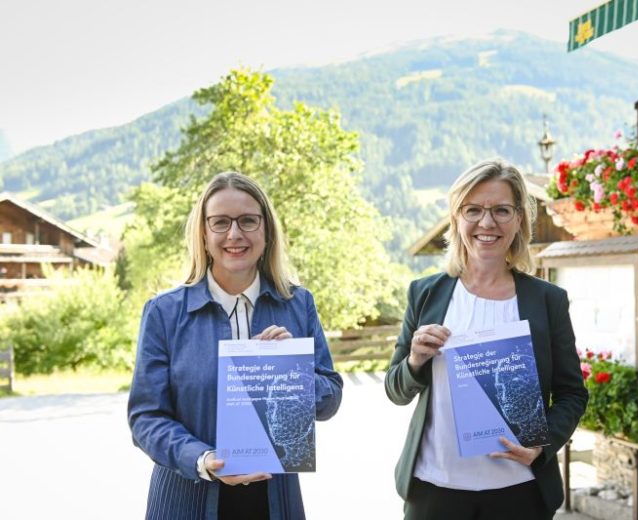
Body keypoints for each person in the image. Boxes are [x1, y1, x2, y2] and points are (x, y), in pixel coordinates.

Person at [128, 171, 343, 520]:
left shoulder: (297, 303)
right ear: (203, 231)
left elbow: (330, 398)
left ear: (266, 229)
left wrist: (292, 374)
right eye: (220, 223)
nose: (234, 234)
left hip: (274, 503)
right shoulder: (164, 313)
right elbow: (146, 417)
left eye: (247, 221)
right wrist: (203, 460)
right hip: (187, 499)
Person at [385, 158, 588, 520]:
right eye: (473, 210)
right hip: (435, 489)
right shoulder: (426, 294)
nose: (487, 222)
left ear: (520, 219)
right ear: (457, 218)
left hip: (519, 492)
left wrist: (542, 446)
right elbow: (395, 391)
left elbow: (572, 393)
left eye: (501, 210)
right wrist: (415, 360)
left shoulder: (546, 300)